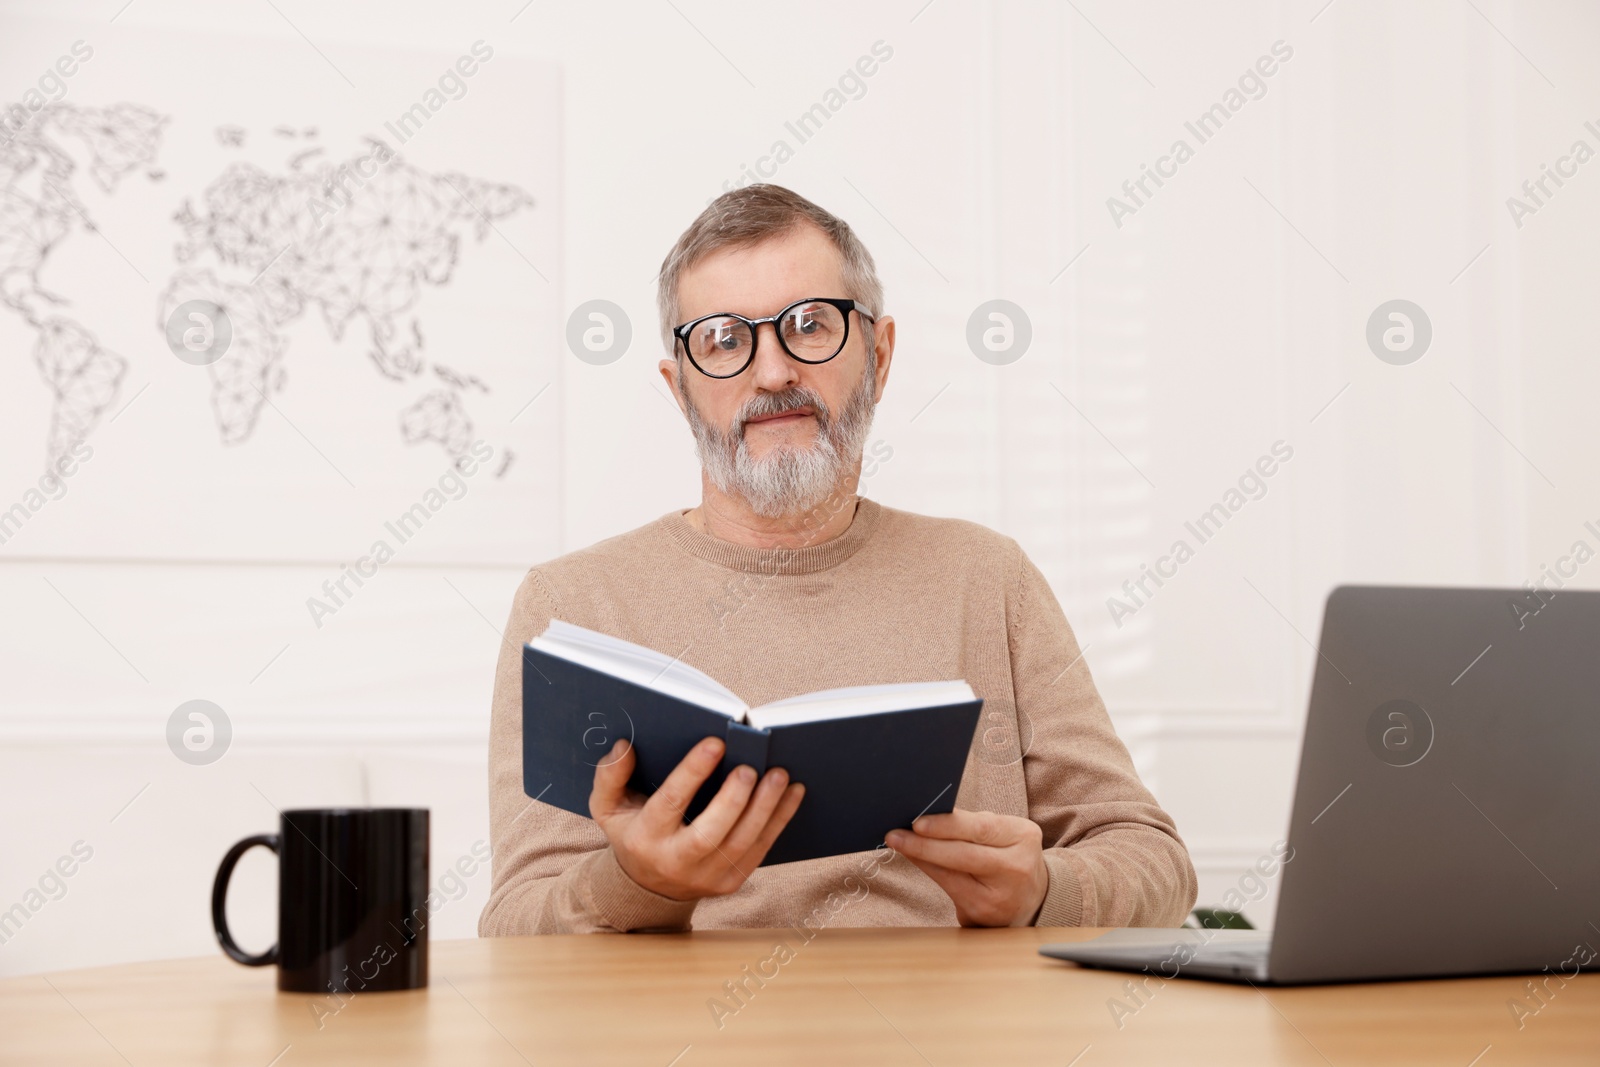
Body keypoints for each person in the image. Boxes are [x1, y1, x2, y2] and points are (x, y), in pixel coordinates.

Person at [479, 184, 1197, 934]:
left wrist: (1047, 889)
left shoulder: (989, 577)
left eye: (810, 325)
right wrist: (636, 883)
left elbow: (1152, 858)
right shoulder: (571, 603)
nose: (773, 372)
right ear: (681, 389)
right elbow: (515, 927)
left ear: (879, 355)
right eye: (724, 339)